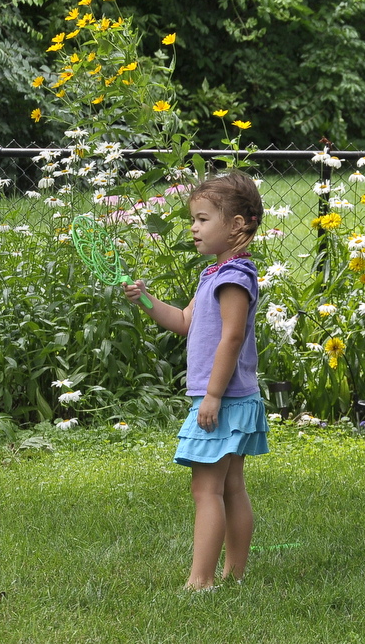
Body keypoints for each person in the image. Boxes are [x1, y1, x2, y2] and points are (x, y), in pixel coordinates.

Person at [123, 170, 269, 591]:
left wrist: (212, 395)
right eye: (194, 219)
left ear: (236, 225)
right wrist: (146, 299)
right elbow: (186, 321)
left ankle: (200, 581)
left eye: (203, 219)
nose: (193, 227)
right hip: (233, 399)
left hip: (222, 399)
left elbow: (233, 337)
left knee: (207, 491)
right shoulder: (213, 274)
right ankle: (233, 576)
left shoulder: (233, 278)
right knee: (230, 487)